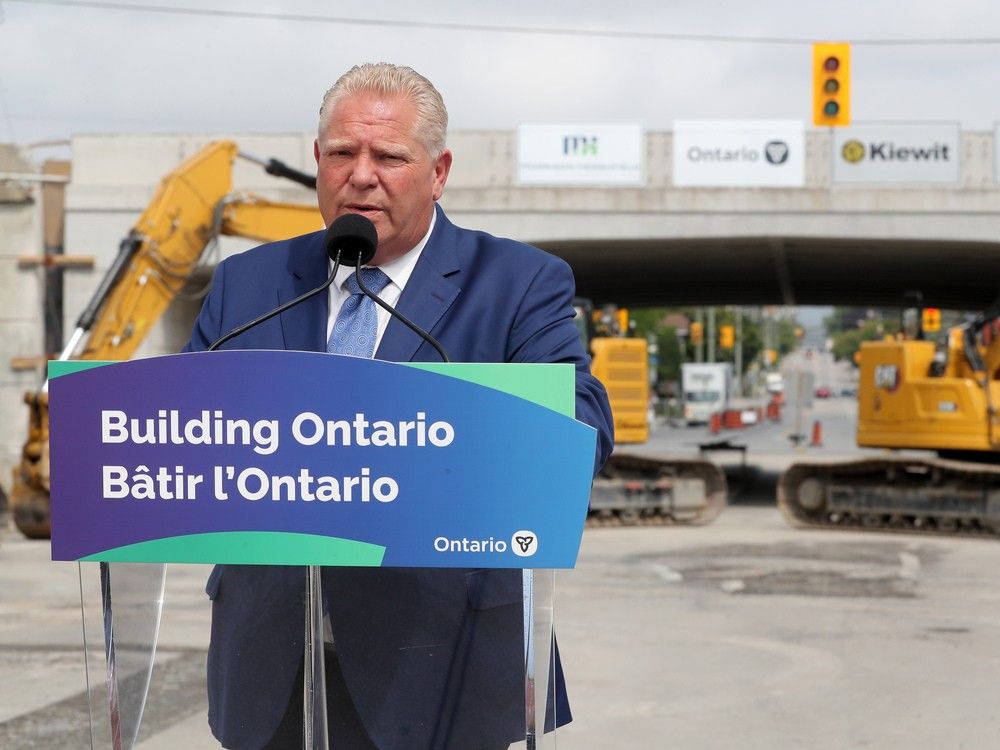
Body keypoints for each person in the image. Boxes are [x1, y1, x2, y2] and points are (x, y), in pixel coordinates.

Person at [184, 62, 614, 750]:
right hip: (271, 672)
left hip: (443, 667)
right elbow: (183, 432)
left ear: (438, 172)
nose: (361, 175)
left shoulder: (517, 281)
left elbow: (578, 421)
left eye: (388, 156)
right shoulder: (248, 282)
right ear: (316, 160)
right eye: (342, 154)